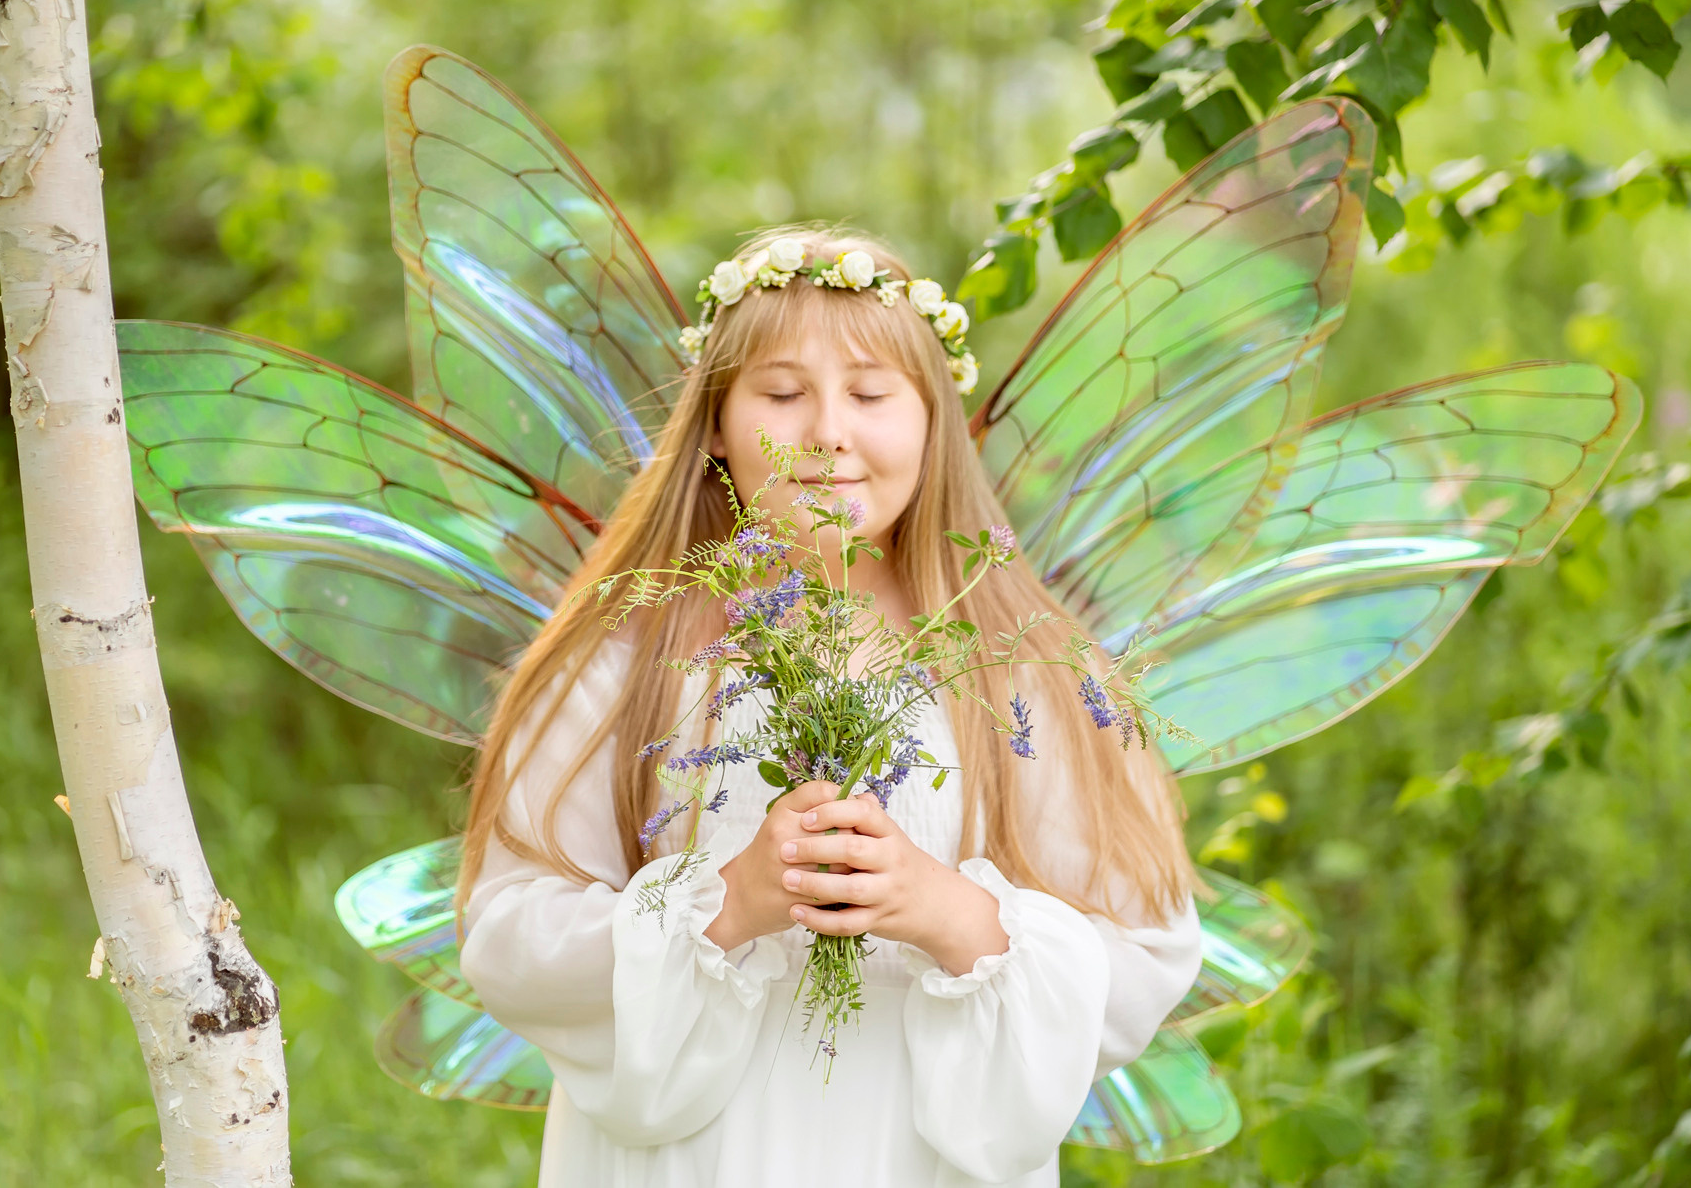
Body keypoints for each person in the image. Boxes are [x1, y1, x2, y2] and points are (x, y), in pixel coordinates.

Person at [456, 228, 1203, 1187]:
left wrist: (945, 911)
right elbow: (512, 935)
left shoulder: (1021, 669)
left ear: (932, 420)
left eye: (871, 393)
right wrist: (731, 902)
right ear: (715, 424)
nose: (826, 433)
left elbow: (1143, 949)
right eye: (780, 394)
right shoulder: (624, 661)